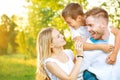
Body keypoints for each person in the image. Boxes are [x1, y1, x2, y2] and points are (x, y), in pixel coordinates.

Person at [82, 7, 120, 80]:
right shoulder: (88, 47)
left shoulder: (115, 36)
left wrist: (114, 53)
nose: (88, 29)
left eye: (90, 25)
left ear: (103, 24)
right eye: (87, 26)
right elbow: (82, 70)